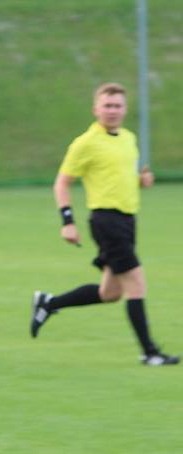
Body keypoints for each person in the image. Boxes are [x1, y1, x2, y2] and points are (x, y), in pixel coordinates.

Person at [31, 82, 178, 366]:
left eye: (117, 106)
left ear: (125, 109)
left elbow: (118, 176)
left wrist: (141, 182)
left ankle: (48, 303)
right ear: (95, 109)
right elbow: (61, 183)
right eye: (107, 105)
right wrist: (67, 222)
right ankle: (150, 352)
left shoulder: (128, 139)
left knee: (110, 293)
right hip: (105, 221)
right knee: (136, 282)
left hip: (128, 220)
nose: (112, 111)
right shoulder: (85, 143)